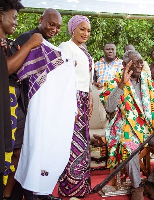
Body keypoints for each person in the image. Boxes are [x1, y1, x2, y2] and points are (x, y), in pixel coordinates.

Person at [0, 0, 42, 199]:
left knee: (20, 154)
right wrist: (30, 45)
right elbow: (5, 68)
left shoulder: (10, 44)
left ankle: (7, 195)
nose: (16, 22)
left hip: (16, 106)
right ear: (0, 15)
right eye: (14, 17)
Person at [4, 8, 62, 200]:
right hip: (19, 104)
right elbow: (19, 72)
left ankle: (31, 193)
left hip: (34, 106)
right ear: (41, 20)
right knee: (21, 152)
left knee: (31, 152)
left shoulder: (47, 42)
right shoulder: (27, 38)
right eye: (51, 24)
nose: (54, 29)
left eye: (58, 27)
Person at [100, 50, 154, 200]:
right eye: (135, 62)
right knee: (129, 148)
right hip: (126, 127)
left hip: (149, 127)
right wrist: (122, 84)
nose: (139, 65)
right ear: (124, 65)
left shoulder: (147, 80)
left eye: (141, 62)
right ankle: (137, 186)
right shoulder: (115, 81)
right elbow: (109, 107)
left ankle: (150, 182)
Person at [58, 15, 94, 197]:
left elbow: (85, 78)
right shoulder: (66, 47)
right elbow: (63, 77)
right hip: (72, 99)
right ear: (72, 29)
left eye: (88, 30)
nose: (85, 33)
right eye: (82, 29)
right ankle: (70, 188)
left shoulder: (83, 50)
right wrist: (73, 105)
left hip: (84, 98)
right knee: (72, 145)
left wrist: (90, 98)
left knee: (83, 145)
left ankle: (81, 187)